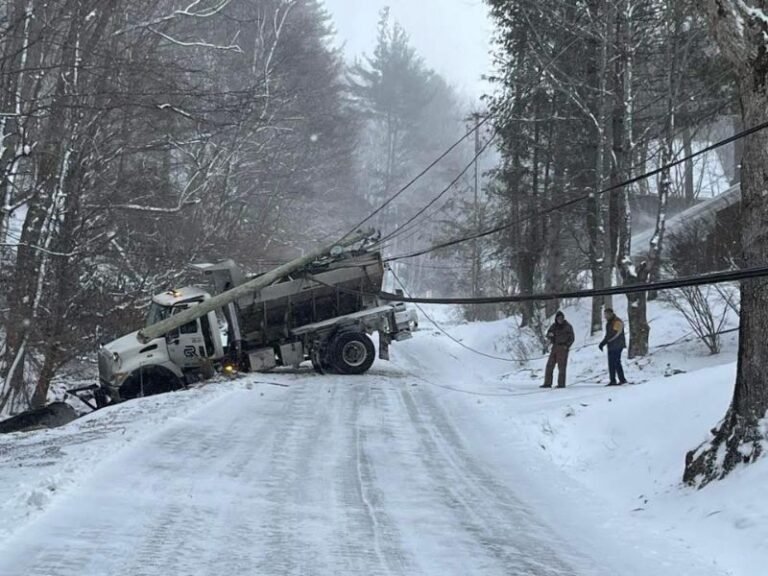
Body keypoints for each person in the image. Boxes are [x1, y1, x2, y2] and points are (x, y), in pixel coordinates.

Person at [541, 311, 575, 389]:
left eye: (561, 318)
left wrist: (567, 346)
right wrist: (550, 336)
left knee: (562, 366)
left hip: (563, 347)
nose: (560, 320)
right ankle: (547, 383)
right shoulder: (554, 326)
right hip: (555, 346)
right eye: (558, 318)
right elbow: (549, 334)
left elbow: (572, 338)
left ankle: (561, 384)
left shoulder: (568, 326)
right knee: (549, 365)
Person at [599, 308, 628, 386]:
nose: (605, 316)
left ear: (611, 314)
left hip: (618, 344)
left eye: (607, 314)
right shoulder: (609, 323)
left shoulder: (617, 321)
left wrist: (605, 341)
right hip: (611, 345)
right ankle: (612, 380)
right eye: (605, 315)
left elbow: (615, 334)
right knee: (611, 363)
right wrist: (603, 343)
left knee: (616, 362)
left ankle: (622, 379)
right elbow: (608, 334)